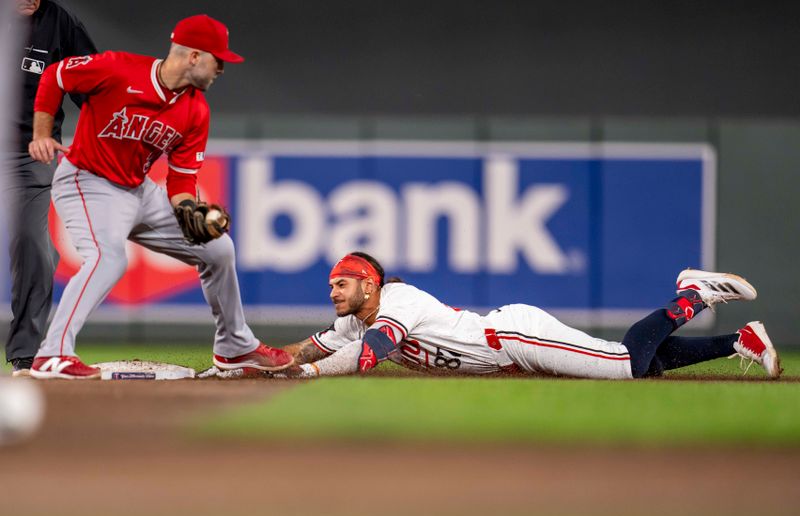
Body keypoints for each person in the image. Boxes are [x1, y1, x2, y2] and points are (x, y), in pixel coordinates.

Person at [26, 14, 294, 379]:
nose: (222, 69)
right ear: (195, 56)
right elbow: (55, 75)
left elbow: (181, 182)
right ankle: (52, 353)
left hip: (140, 190)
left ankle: (234, 346)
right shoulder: (119, 69)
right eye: (219, 60)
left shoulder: (196, 109)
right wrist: (42, 131)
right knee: (108, 258)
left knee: (219, 248)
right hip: (88, 180)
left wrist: (190, 213)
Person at [277, 252, 781, 380]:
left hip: (513, 337)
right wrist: (258, 362)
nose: (333, 292)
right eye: (330, 286)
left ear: (369, 283)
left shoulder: (396, 301)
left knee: (625, 364)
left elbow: (366, 358)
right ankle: (739, 342)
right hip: (508, 351)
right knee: (645, 368)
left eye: (340, 284)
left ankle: (692, 293)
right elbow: (306, 349)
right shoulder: (355, 319)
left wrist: (306, 373)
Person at [5, 0, 96, 377]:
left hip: (28, 155)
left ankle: (26, 353)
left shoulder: (60, 24)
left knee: (33, 244)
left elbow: (94, 89)